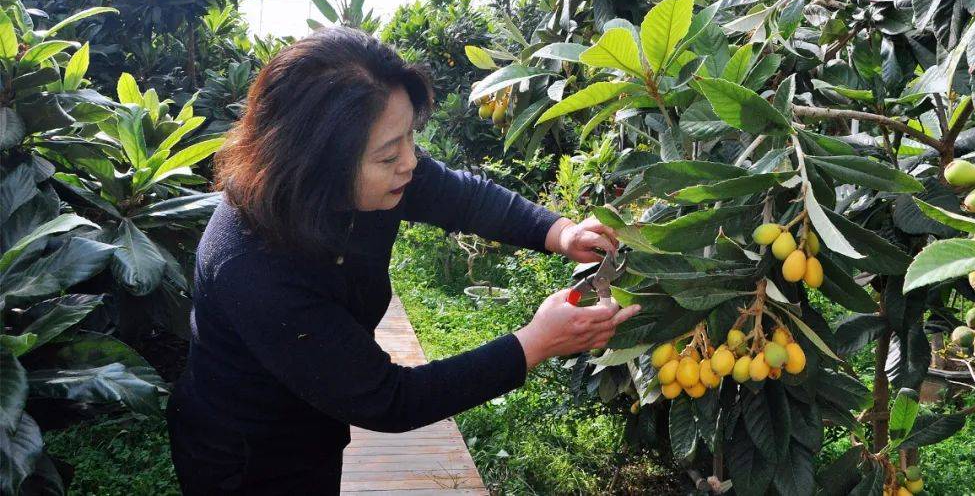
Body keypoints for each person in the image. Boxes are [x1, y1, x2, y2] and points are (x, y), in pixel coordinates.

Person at [166, 26, 640, 494]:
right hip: (244, 458)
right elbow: (390, 399)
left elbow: (462, 197)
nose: (410, 163)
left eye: (410, 138)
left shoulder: (377, 177)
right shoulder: (253, 263)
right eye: (389, 155)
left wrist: (559, 231)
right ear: (314, 165)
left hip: (313, 426)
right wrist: (533, 343)